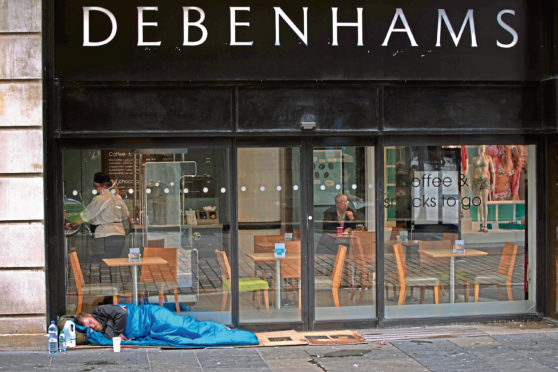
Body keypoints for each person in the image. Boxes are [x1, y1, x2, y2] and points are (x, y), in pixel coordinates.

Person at [79, 172, 130, 261]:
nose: (94, 189)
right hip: (120, 236)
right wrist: (131, 226)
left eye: (96, 186)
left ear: (104, 186)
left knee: (102, 265)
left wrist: (71, 224)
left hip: (105, 236)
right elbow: (126, 216)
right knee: (114, 264)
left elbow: (85, 216)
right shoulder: (118, 197)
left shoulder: (100, 198)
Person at [471, 145, 495, 232]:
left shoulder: (488, 158)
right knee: (480, 203)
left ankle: (485, 224)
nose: (482, 148)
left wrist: (493, 183)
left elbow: (492, 171)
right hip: (477, 180)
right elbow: (473, 172)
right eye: (480, 147)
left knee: (485, 203)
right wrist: (471, 183)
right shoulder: (474, 159)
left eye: (483, 147)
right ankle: (482, 224)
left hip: (485, 180)